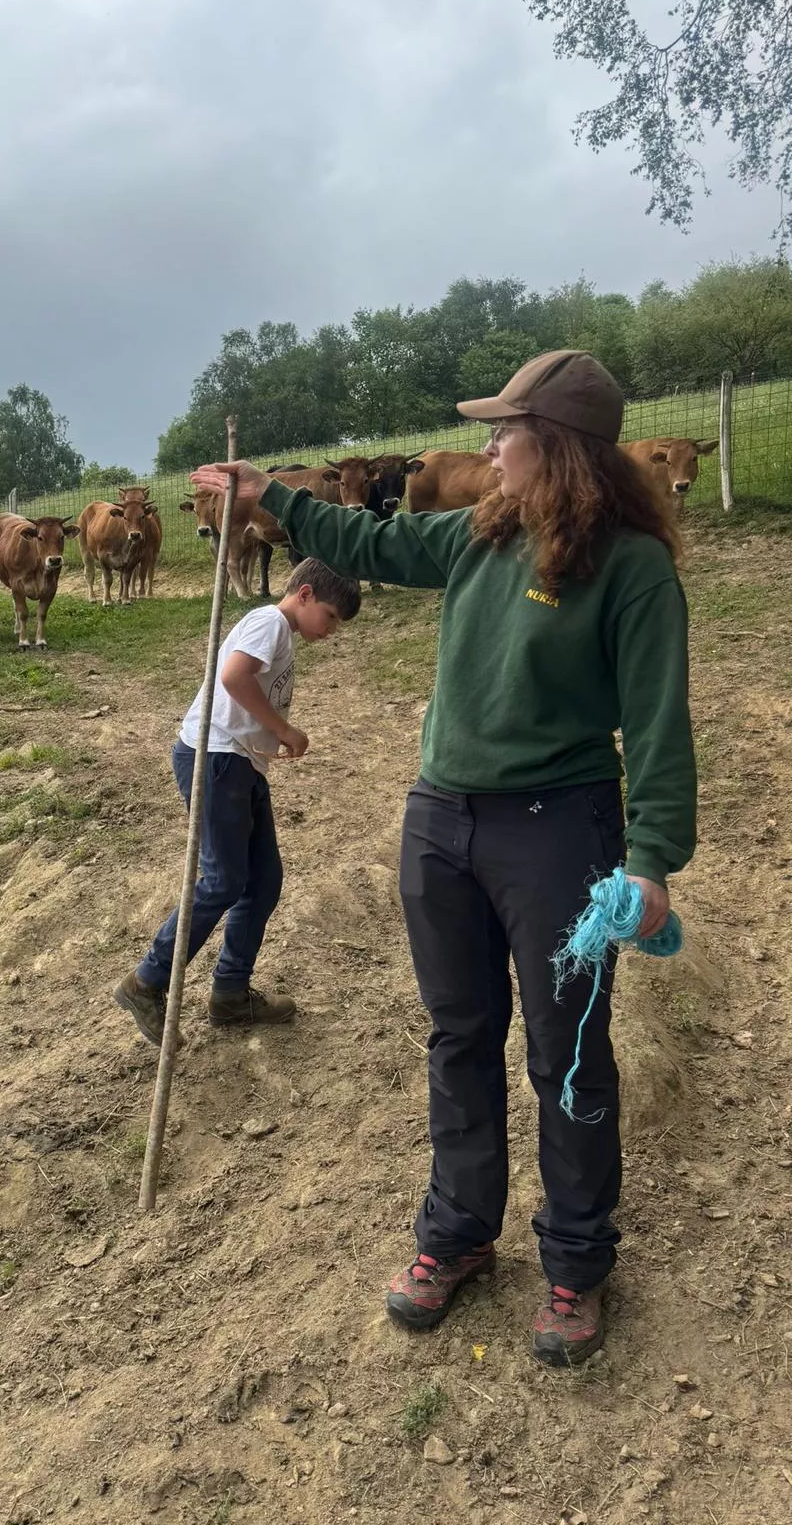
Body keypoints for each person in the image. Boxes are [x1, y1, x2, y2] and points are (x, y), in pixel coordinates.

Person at [191, 350, 696, 1366]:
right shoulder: (480, 533)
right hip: (441, 822)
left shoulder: (632, 568)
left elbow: (657, 722)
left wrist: (651, 858)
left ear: (554, 447)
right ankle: (460, 1234)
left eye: (505, 429)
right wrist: (271, 496)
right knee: (459, 1036)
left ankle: (576, 1261)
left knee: (566, 1052)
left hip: (558, 829)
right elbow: (368, 536)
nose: (489, 446)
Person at [113, 557, 362, 1041]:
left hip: (241, 763)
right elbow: (233, 677)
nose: (331, 630)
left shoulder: (282, 632)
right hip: (217, 758)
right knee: (224, 879)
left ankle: (229, 992)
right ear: (305, 594)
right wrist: (283, 728)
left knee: (263, 879)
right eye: (330, 616)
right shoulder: (270, 621)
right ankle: (147, 980)